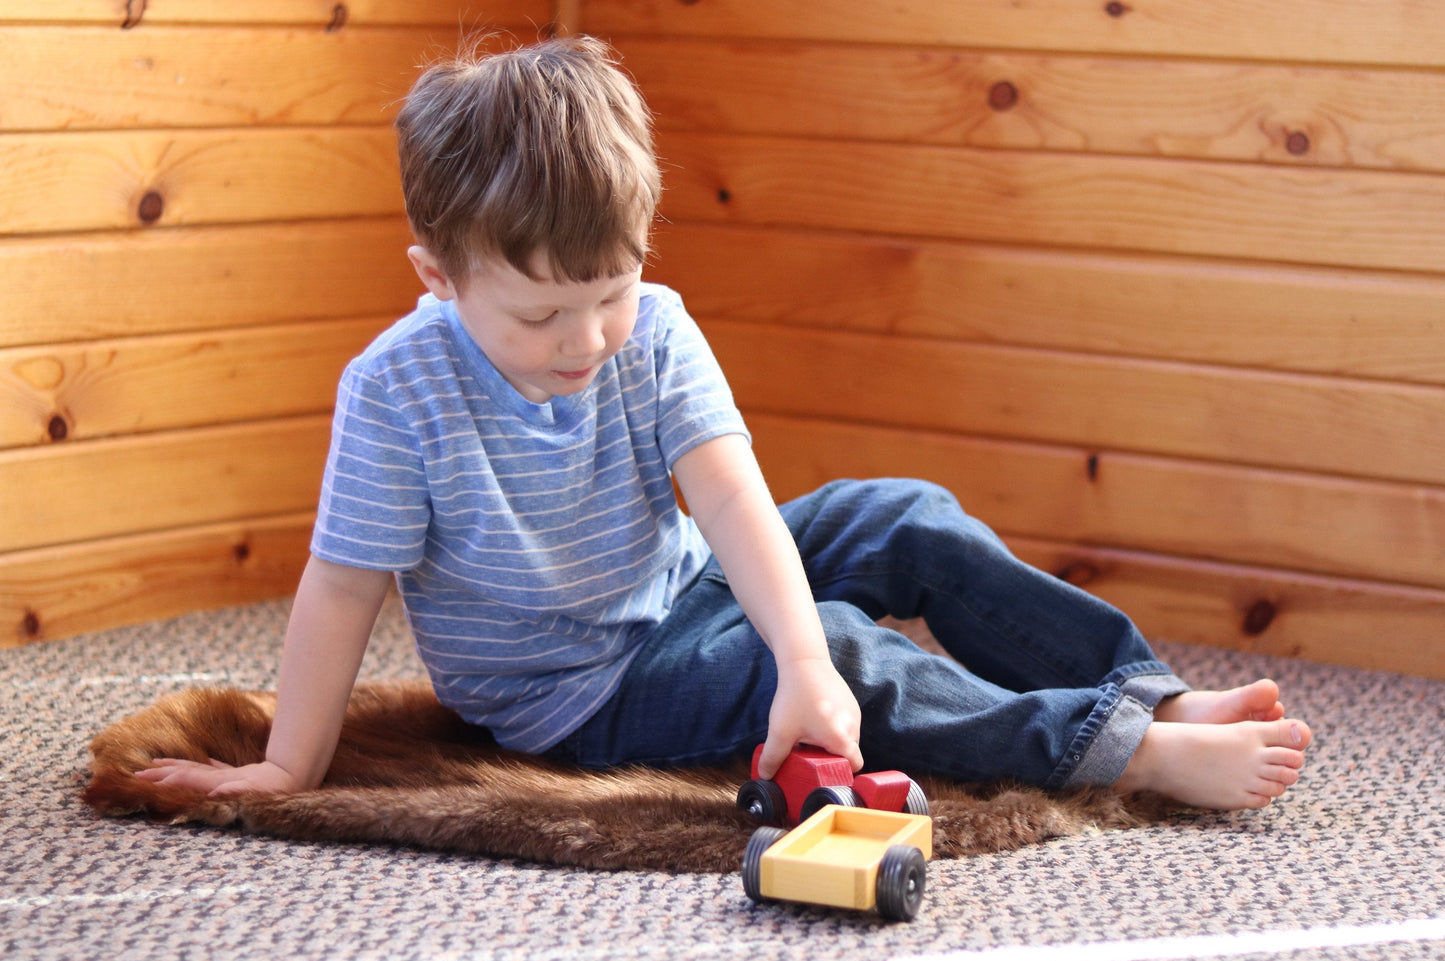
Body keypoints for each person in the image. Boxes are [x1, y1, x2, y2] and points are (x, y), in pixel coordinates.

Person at [139, 36, 1310, 812]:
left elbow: (730, 493)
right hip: (584, 691)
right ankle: (1125, 756)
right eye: (543, 313)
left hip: (684, 582)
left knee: (900, 518)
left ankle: (1139, 692)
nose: (588, 339)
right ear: (438, 277)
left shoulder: (648, 327)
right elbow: (341, 589)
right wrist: (292, 762)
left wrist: (791, 647)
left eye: (609, 293)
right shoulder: (394, 393)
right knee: (840, 648)